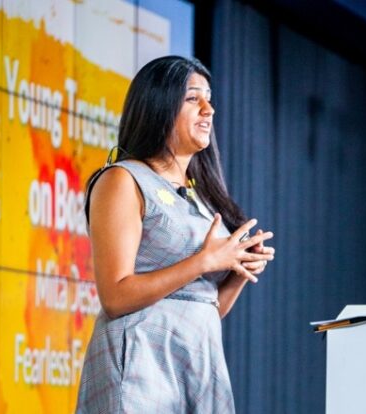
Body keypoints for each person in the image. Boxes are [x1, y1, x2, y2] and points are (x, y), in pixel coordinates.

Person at [75, 55, 275, 413]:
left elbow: (205, 306)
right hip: (142, 368)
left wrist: (239, 269)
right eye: (193, 98)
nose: (209, 109)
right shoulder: (123, 180)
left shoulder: (198, 195)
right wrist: (204, 261)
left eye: (209, 98)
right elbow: (115, 296)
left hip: (195, 364)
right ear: (158, 107)